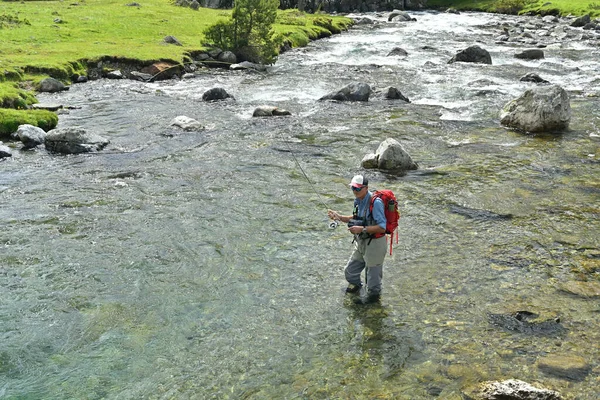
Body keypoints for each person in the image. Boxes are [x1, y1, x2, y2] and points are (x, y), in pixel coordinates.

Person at [328, 175, 387, 304]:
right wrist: (339, 217)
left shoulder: (375, 203)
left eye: (358, 188)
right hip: (361, 242)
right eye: (353, 188)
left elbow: (382, 227)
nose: (355, 191)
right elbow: (356, 218)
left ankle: (373, 306)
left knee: (373, 284)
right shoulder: (357, 201)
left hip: (375, 245)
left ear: (366, 188)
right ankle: (358, 289)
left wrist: (362, 229)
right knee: (350, 272)